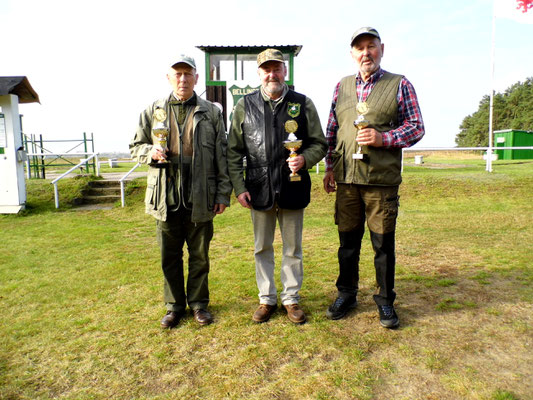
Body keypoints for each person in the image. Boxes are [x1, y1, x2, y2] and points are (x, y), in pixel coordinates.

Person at [323, 27, 424, 329]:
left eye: (371, 46)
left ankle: (385, 301)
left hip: (381, 182)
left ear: (382, 49)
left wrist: (385, 139)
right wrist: (329, 168)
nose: (366, 53)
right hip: (347, 181)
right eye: (360, 48)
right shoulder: (341, 87)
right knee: (347, 243)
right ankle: (347, 293)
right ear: (352, 53)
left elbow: (416, 126)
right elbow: (332, 131)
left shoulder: (400, 84)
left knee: (382, 245)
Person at [130, 55, 232, 328]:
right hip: (165, 195)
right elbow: (135, 146)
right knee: (169, 256)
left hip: (201, 196)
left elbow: (222, 155)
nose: (183, 79)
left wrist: (223, 194)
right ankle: (174, 306)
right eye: (177, 74)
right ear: (169, 78)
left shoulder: (212, 112)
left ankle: (199, 305)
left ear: (197, 78)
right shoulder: (153, 110)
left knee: (200, 256)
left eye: (188, 74)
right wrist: (150, 151)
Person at [227, 48, 327, 324]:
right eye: (266, 69)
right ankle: (266, 298)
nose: (272, 74)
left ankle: (291, 299)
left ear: (285, 71)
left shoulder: (302, 103)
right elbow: (234, 151)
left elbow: (319, 142)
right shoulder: (243, 106)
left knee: (292, 248)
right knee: (262, 248)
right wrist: (239, 186)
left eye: (277, 68)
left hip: (293, 186)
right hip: (258, 188)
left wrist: (305, 159)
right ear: (259, 73)